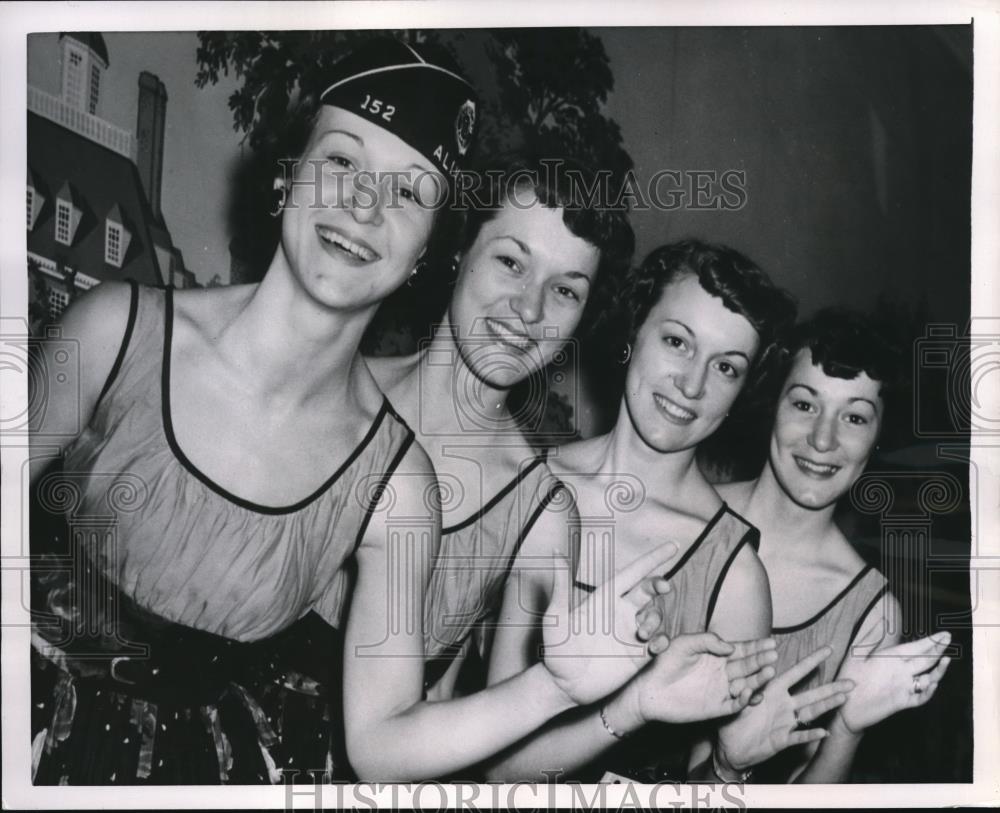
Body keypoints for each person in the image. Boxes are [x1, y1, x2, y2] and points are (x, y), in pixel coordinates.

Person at [27, 39, 758, 786]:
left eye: (566, 291)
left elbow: (469, 753)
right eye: (510, 261)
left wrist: (611, 702)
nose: (528, 308)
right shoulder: (146, 337)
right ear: (456, 256)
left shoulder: (430, 486)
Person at [484, 239, 828, 781]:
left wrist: (724, 767)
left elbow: (711, 783)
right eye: (677, 342)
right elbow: (496, 768)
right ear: (632, 334)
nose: (692, 385)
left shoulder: (733, 576)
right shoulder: (526, 484)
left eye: (727, 368)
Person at [691, 308, 952, 782]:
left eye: (854, 417)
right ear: (772, 405)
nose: (822, 439)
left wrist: (848, 728)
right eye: (805, 405)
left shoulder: (871, 613)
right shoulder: (687, 514)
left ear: (878, 438)